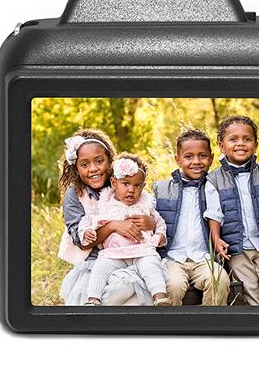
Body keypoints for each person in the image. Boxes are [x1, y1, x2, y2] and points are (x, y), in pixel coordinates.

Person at [57, 130, 158, 306]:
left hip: (133, 255)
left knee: (137, 288)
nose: (93, 169)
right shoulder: (75, 195)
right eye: (84, 164)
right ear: (76, 168)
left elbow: (147, 210)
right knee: (114, 290)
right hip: (95, 262)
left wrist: (151, 223)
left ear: (110, 161)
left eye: (99, 161)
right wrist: (113, 226)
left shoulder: (123, 183)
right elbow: (83, 243)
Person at [204, 116, 259, 305]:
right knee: (247, 292)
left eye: (247, 139)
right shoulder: (214, 179)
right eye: (233, 139)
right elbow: (214, 213)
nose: (241, 143)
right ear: (222, 146)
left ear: (255, 145)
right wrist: (216, 239)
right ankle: (256, 321)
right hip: (237, 248)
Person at [80, 153, 172, 307]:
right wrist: (86, 232)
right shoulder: (104, 203)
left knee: (151, 265)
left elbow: (160, 222)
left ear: (143, 186)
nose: (131, 190)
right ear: (114, 183)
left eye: (137, 185)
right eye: (126, 184)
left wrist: (159, 235)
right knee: (100, 267)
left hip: (142, 251)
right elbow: (88, 220)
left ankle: (160, 297)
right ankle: (93, 299)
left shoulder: (145, 205)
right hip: (113, 253)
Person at [153, 129, 230, 306]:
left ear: (211, 158)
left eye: (202, 156)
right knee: (173, 285)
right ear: (177, 159)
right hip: (172, 259)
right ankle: (170, 323)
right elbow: (147, 212)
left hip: (204, 259)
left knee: (219, 280)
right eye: (188, 157)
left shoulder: (215, 188)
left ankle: (209, 321)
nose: (196, 161)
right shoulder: (162, 189)